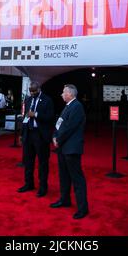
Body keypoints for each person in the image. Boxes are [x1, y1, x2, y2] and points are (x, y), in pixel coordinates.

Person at [50, 84, 89, 219]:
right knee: (64, 176)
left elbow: (69, 127)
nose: (61, 94)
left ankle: (83, 208)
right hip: (63, 148)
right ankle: (64, 200)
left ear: (70, 94)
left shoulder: (77, 106)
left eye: (63, 92)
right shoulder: (67, 107)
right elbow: (59, 124)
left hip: (71, 148)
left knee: (77, 178)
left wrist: (58, 139)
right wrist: (54, 136)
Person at [17, 81, 54, 197]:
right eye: (30, 91)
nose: (32, 93)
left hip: (41, 135)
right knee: (28, 161)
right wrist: (21, 134)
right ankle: (29, 183)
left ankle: (43, 187)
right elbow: (25, 117)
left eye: (34, 91)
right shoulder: (28, 100)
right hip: (28, 133)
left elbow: (50, 117)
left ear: (39, 89)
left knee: (43, 163)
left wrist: (36, 114)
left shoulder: (47, 100)